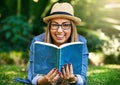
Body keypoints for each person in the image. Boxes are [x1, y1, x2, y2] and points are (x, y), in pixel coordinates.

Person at [28, 2, 89, 85]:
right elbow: (32, 76)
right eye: (55, 25)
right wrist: (44, 81)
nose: (59, 30)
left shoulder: (81, 42)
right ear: (49, 27)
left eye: (65, 25)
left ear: (72, 27)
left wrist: (73, 79)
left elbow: (82, 78)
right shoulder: (38, 41)